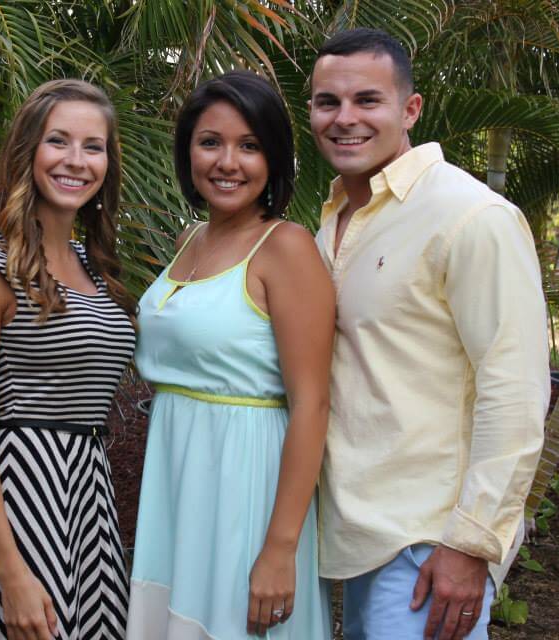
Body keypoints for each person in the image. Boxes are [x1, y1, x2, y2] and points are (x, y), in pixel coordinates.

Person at [309, 28, 549, 640]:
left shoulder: (471, 217)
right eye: (327, 102)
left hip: (427, 545)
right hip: (351, 536)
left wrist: (471, 544)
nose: (345, 119)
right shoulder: (335, 215)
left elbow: (515, 389)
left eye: (368, 100)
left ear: (410, 109)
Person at [126, 70, 335, 639]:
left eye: (250, 146)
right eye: (210, 142)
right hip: (177, 472)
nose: (227, 162)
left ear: (274, 160)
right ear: (187, 149)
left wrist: (279, 548)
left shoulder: (285, 247)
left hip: (247, 479)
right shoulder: (188, 239)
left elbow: (313, 404)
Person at [0, 79, 137, 640]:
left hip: (88, 499)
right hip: (18, 498)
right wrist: (11, 571)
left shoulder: (95, 265)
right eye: (59, 142)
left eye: (93, 146)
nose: (76, 161)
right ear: (28, 151)